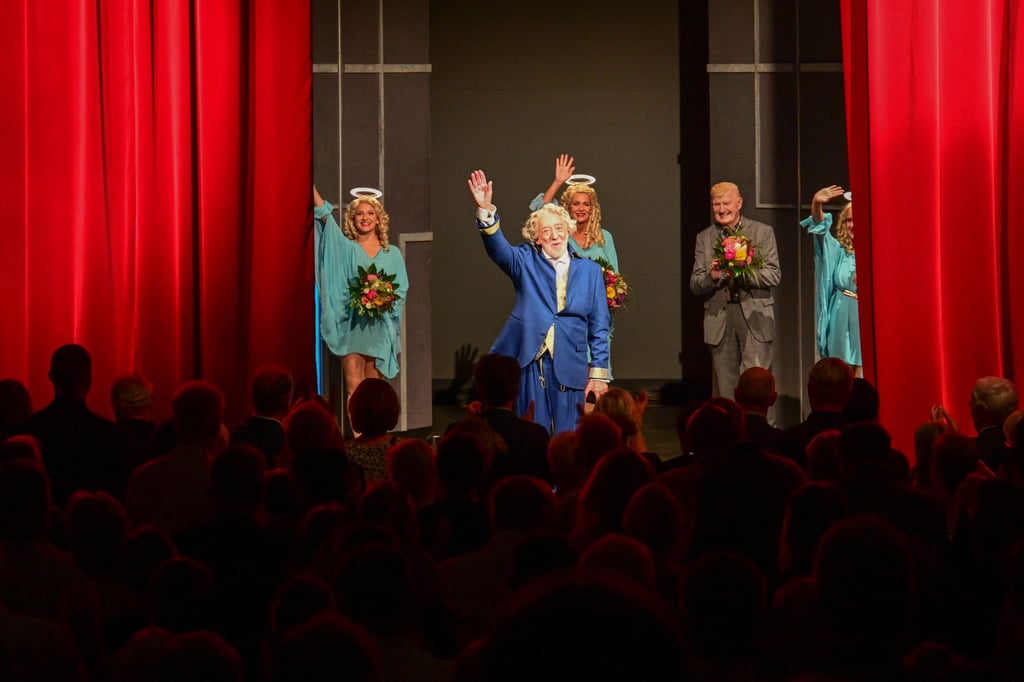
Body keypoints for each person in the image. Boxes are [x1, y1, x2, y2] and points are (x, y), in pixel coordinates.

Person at [468, 169, 611, 435]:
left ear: (568, 231)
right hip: (531, 363)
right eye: (547, 231)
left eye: (559, 229)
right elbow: (497, 248)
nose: (555, 236)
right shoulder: (524, 261)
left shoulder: (590, 271)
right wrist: (486, 208)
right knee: (532, 431)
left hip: (571, 364)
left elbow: (599, 325)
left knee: (568, 437)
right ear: (537, 237)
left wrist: (598, 374)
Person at [312, 185, 408, 417]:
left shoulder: (392, 253)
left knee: (374, 392)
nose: (365, 218)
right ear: (353, 219)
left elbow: (401, 289)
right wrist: (310, 187)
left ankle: (374, 440)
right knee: (354, 388)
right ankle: (357, 445)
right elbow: (325, 217)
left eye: (370, 213)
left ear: (378, 219)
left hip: (378, 329)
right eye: (359, 214)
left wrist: (383, 299)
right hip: (352, 327)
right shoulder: (347, 249)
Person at [690, 182, 781, 397]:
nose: (721, 209)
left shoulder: (762, 232)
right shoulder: (704, 238)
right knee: (725, 387)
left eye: (726, 203)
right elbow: (695, 283)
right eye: (716, 204)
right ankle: (728, 429)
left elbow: (774, 274)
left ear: (739, 203)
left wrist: (742, 270)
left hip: (754, 315)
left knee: (757, 383)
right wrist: (712, 277)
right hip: (720, 317)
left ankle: (761, 429)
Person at [801, 185, 861, 374]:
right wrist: (817, 203)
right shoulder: (838, 251)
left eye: (856, 220)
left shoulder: (878, 252)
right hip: (840, 313)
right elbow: (820, 230)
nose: (852, 225)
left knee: (863, 369)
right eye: (849, 220)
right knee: (840, 372)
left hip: (863, 317)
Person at [529, 154, 619, 270]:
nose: (581, 209)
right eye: (576, 204)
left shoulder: (605, 237)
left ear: (592, 209)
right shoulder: (560, 235)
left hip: (599, 288)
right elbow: (540, 211)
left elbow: (615, 278)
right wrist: (558, 181)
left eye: (586, 204)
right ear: (568, 207)